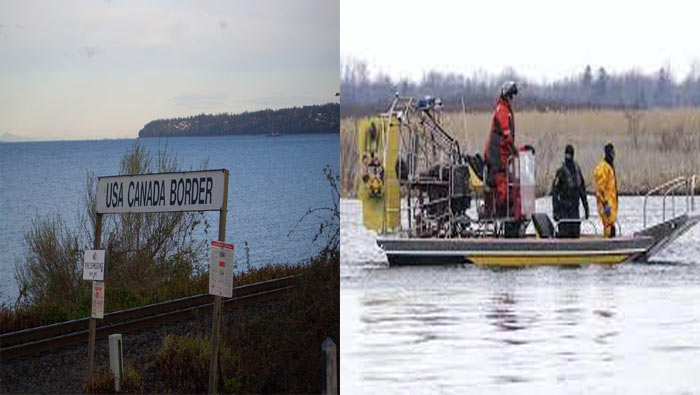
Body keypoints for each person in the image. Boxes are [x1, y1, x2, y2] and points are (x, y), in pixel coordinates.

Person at [484, 81, 518, 217]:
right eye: (510, 96)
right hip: (496, 157)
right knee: (503, 191)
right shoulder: (502, 111)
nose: (512, 100)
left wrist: (517, 150)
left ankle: (507, 216)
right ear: (506, 96)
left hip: (501, 156)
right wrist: (514, 150)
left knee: (509, 186)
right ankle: (499, 214)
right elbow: (507, 135)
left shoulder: (505, 109)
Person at [551, 144, 589, 238]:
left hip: (575, 210)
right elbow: (555, 193)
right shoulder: (561, 172)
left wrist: (586, 208)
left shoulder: (577, 171)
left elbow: (582, 191)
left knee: (575, 234)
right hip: (564, 211)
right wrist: (555, 211)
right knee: (564, 234)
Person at [594, 143, 618, 237]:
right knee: (608, 227)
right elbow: (600, 188)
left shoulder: (610, 167)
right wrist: (605, 203)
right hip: (606, 205)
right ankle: (607, 245)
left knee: (611, 227)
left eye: (613, 152)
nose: (613, 155)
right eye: (611, 153)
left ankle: (611, 244)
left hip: (611, 205)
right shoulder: (603, 168)